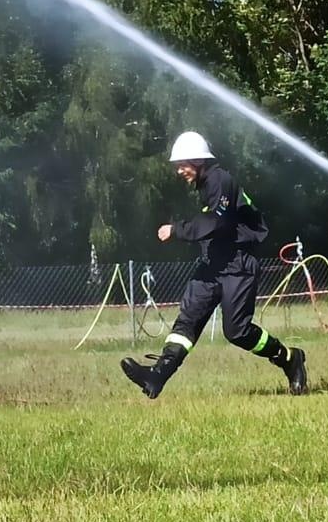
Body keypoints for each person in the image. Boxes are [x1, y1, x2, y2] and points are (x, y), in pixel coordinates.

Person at [120, 132, 308, 399]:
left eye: (183, 165)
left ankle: (290, 359)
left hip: (238, 265)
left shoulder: (220, 180)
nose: (179, 171)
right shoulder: (207, 186)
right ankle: (157, 375)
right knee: (188, 320)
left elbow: (216, 223)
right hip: (213, 264)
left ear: (198, 161)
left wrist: (177, 230)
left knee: (237, 331)